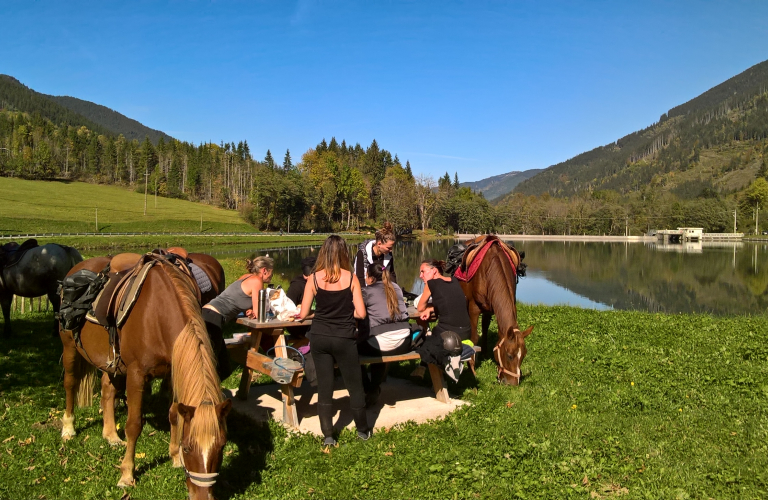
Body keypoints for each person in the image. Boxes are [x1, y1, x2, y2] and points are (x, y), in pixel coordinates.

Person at [296, 235, 370, 447]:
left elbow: (302, 314)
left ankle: (328, 435)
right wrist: (346, 311)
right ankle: (363, 430)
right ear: (343, 253)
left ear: (323, 252)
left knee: (325, 387)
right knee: (354, 386)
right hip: (344, 338)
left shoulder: (313, 278)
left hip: (319, 337)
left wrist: (317, 313)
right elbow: (361, 314)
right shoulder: (351, 278)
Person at [202, 256, 274, 380]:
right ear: (264, 270)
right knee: (213, 366)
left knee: (223, 367)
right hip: (213, 318)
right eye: (272, 272)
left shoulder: (245, 277)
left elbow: (238, 300)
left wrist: (249, 311)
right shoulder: (257, 281)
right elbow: (259, 313)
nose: (272, 275)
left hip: (207, 314)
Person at [358, 263, 412, 406]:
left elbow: (356, 313)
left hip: (379, 343)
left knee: (350, 349)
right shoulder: (396, 287)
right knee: (379, 343)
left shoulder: (366, 291)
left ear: (369, 278)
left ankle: (369, 388)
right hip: (404, 341)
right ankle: (374, 387)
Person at [412, 259, 472, 379]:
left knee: (424, 340)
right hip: (466, 332)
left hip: (449, 334)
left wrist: (427, 308)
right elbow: (451, 302)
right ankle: (424, 368)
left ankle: (423, 369)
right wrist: (432, 309)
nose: (420, 275)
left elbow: (420, 307)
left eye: (423, 271)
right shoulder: (454, 281)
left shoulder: (431, 284)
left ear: (434, 271)